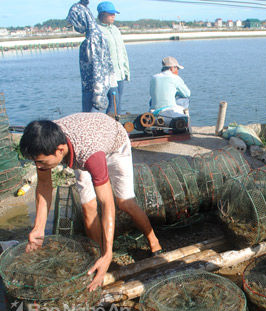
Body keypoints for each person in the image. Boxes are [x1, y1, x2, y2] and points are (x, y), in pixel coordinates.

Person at [19, 113, 163, 291]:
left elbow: (107, 202)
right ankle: (99, 256)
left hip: (113, 145)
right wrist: (38, 229)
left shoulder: (89, 155)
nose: (38, 167)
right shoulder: (43, 140)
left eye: (41, 162)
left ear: (60, 150)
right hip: (84, 145)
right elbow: (44, 183)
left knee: (125, 203)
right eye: (36, 162)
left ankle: (153, 241)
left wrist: (110, 253)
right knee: (88, 208)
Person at [67, 0, 115, 112]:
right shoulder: (98, 34)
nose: (74, 28)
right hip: (98, 89)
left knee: (90, 120)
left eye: (74, 24)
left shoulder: (92, 40)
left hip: (93, 92)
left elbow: (97, 69)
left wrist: (98, 96)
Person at [97, 1, 130, 115]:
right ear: (102, 14)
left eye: (114, 13)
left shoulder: (116, 29)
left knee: (118, 103)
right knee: (113, 102)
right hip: (108, 74)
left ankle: (117, 127)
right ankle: (109, 129)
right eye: (110, 13)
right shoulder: (98, 30)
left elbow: (123, 51)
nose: (113, 16)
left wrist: (126, 71)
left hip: (120, 73)